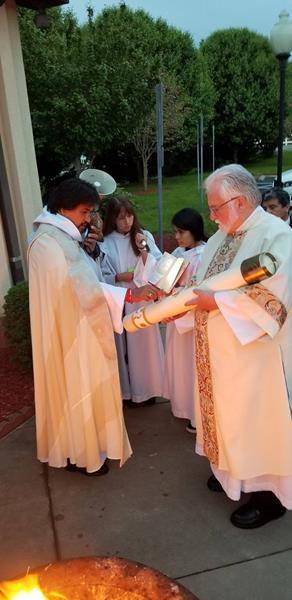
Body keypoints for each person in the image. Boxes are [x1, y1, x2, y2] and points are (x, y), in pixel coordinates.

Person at [184, 164, 292, 528]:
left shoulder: (276, 235)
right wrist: (178, 307)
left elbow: (275, 299)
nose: (211, 216)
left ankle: (267, 495)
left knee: (255, 422)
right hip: (218, 353)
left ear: (242, 201)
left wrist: (219, 304)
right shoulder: (220, 236)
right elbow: (203, 284)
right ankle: (231, 472)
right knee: (228, 419)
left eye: (217, 207)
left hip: (256, 357)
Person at [28, 178, 159, 476]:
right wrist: (129, 294)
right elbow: (78, 290)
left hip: (78, 328)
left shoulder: (60, 237)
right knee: (76, 390)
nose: (88, 218)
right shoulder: (49, 244)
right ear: (63, 207)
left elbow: (86, 278)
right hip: (71, 334)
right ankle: (82, 455)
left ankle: (88, 450)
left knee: (82, 390)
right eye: (85, 211)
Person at [101, 196, 164, 407]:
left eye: (129, 216)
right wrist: (119, 277)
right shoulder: (106, 242)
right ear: (112, 219)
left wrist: (143, 248)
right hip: (120, 297)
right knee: (125, 347)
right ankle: (130, 392)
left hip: (141, 297)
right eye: (120, 218)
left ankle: (149, 388)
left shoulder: (142, 236)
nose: (126, 221)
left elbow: (157, 266)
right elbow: (101, 274)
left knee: (144, 347)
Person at [162, 208, 206, 433]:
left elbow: (199, 289)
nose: (176, 237)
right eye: (174, 232)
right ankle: (182, 407)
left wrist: (177, 292)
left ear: (194, 230)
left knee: (192, 367)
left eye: (181, 232)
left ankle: (196, 415)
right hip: (174, 318)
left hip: (190, 321)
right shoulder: (178, 253)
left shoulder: (204, 255)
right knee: (178, 365)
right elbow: (163, 281)